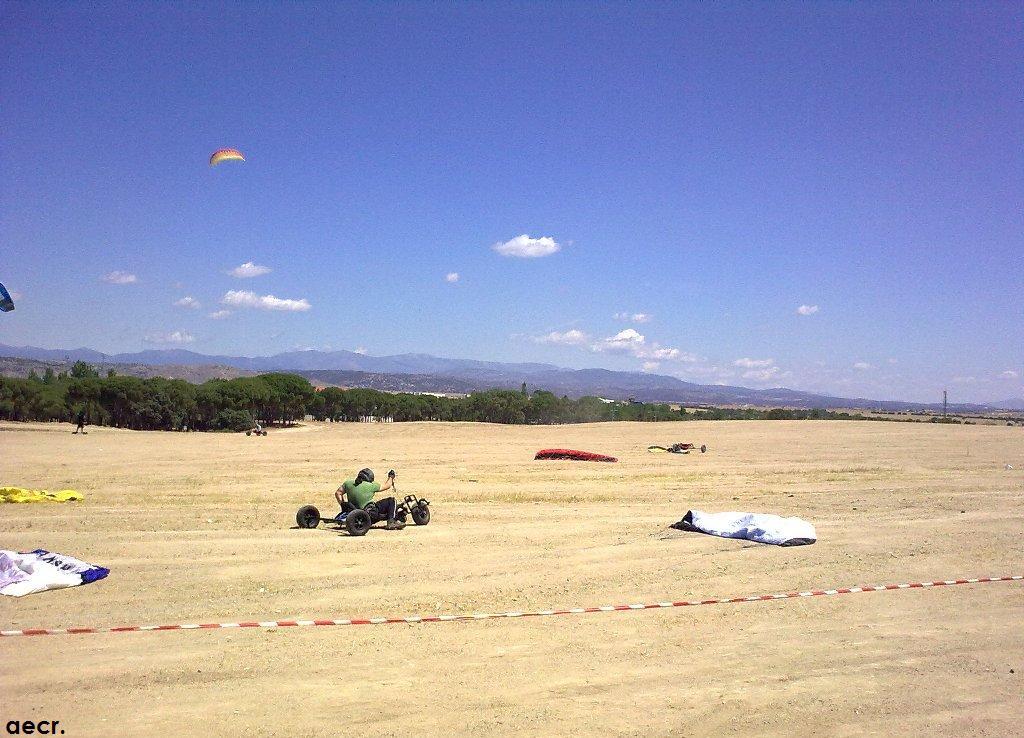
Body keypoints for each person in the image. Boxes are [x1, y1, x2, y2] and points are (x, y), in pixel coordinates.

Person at [336, 468, 404, 530]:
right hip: (370, 515)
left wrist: (343, 505)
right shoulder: (371, 485)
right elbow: (387, 485)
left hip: (355, 514)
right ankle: (391, 522)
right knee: (391, 500)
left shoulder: (348, 483)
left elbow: (338, 493)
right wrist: (391, 477)